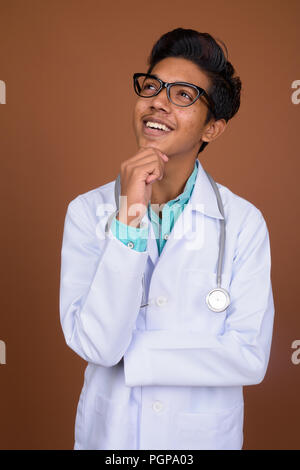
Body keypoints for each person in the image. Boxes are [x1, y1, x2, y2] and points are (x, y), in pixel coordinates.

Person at [59, 27, 275, 450]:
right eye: (153, 86)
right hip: (112, 440)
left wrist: (135, 357)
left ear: (212, 128)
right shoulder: (87, 212)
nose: (157, 100)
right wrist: (129, 216)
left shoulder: (244, 223)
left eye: (183, 95)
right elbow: (98, 346)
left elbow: (248, 357)